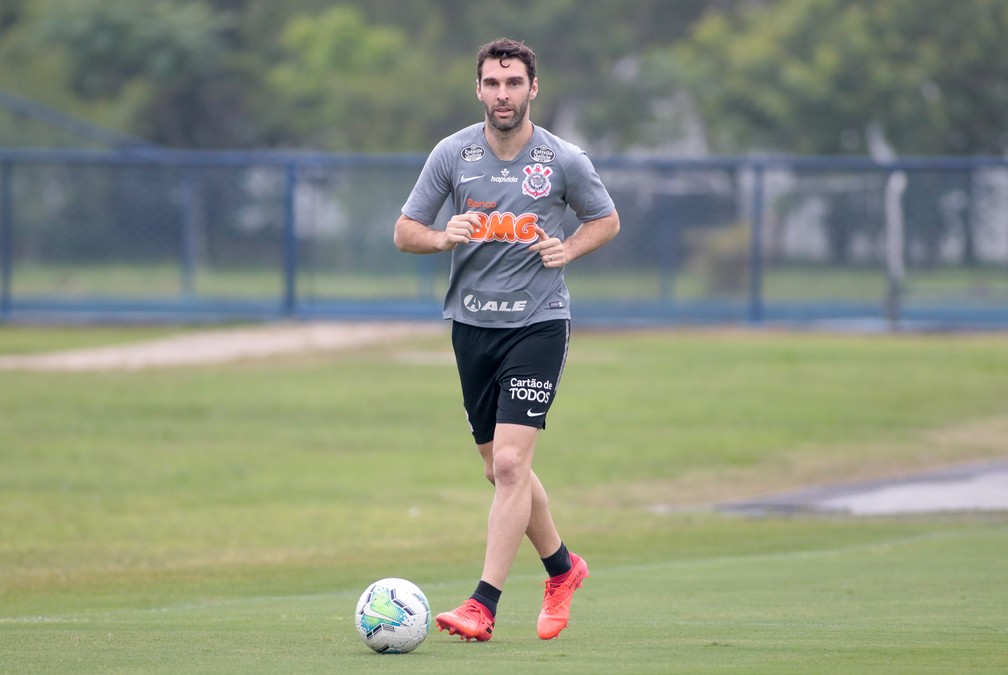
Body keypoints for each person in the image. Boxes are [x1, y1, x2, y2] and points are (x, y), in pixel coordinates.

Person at [393, 37, 620, 642]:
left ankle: (483, 604)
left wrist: (566, 248)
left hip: (539, 323)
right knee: (500, 471)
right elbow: (405, 230)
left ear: (532, 89)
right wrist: (445, 237)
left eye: (513, 83)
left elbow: (606, 219)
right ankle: (563, 568)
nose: (502, 94)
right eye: (492, 84)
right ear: (479, 89)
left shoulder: (563, 159)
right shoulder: (453, 153)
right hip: (471, 328)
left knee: (516, 462)